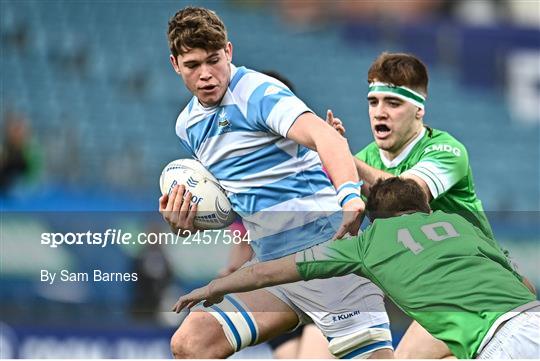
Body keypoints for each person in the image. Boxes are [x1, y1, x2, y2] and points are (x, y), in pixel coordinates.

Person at [160, 7, 393, 359]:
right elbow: (232, 198)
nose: (206, 75)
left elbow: (323, 135)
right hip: (273, 270)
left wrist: (349, 196)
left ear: (229, 52)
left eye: (214, 60)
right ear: (176, 64)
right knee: (192, 342)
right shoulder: (188, 126)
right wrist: (185, 223)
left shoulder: (257, 92)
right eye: (193, 65)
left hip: (330, 256)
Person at [174, 177, 540, 360]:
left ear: (375, 219)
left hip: (499, 344)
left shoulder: (369, 242)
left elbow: (271, 272)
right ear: (425, 209)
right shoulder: (461, 225)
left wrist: (215, 287)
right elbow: (525, 285)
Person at [325, 51, 536, 358]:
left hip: (480, 287)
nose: (379, 112)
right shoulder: (366, 158)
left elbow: (408, 192)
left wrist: (342, 158)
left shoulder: (446, 150)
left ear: (419, 110)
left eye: (393, 103)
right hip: (440, 292)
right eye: (374, 102)